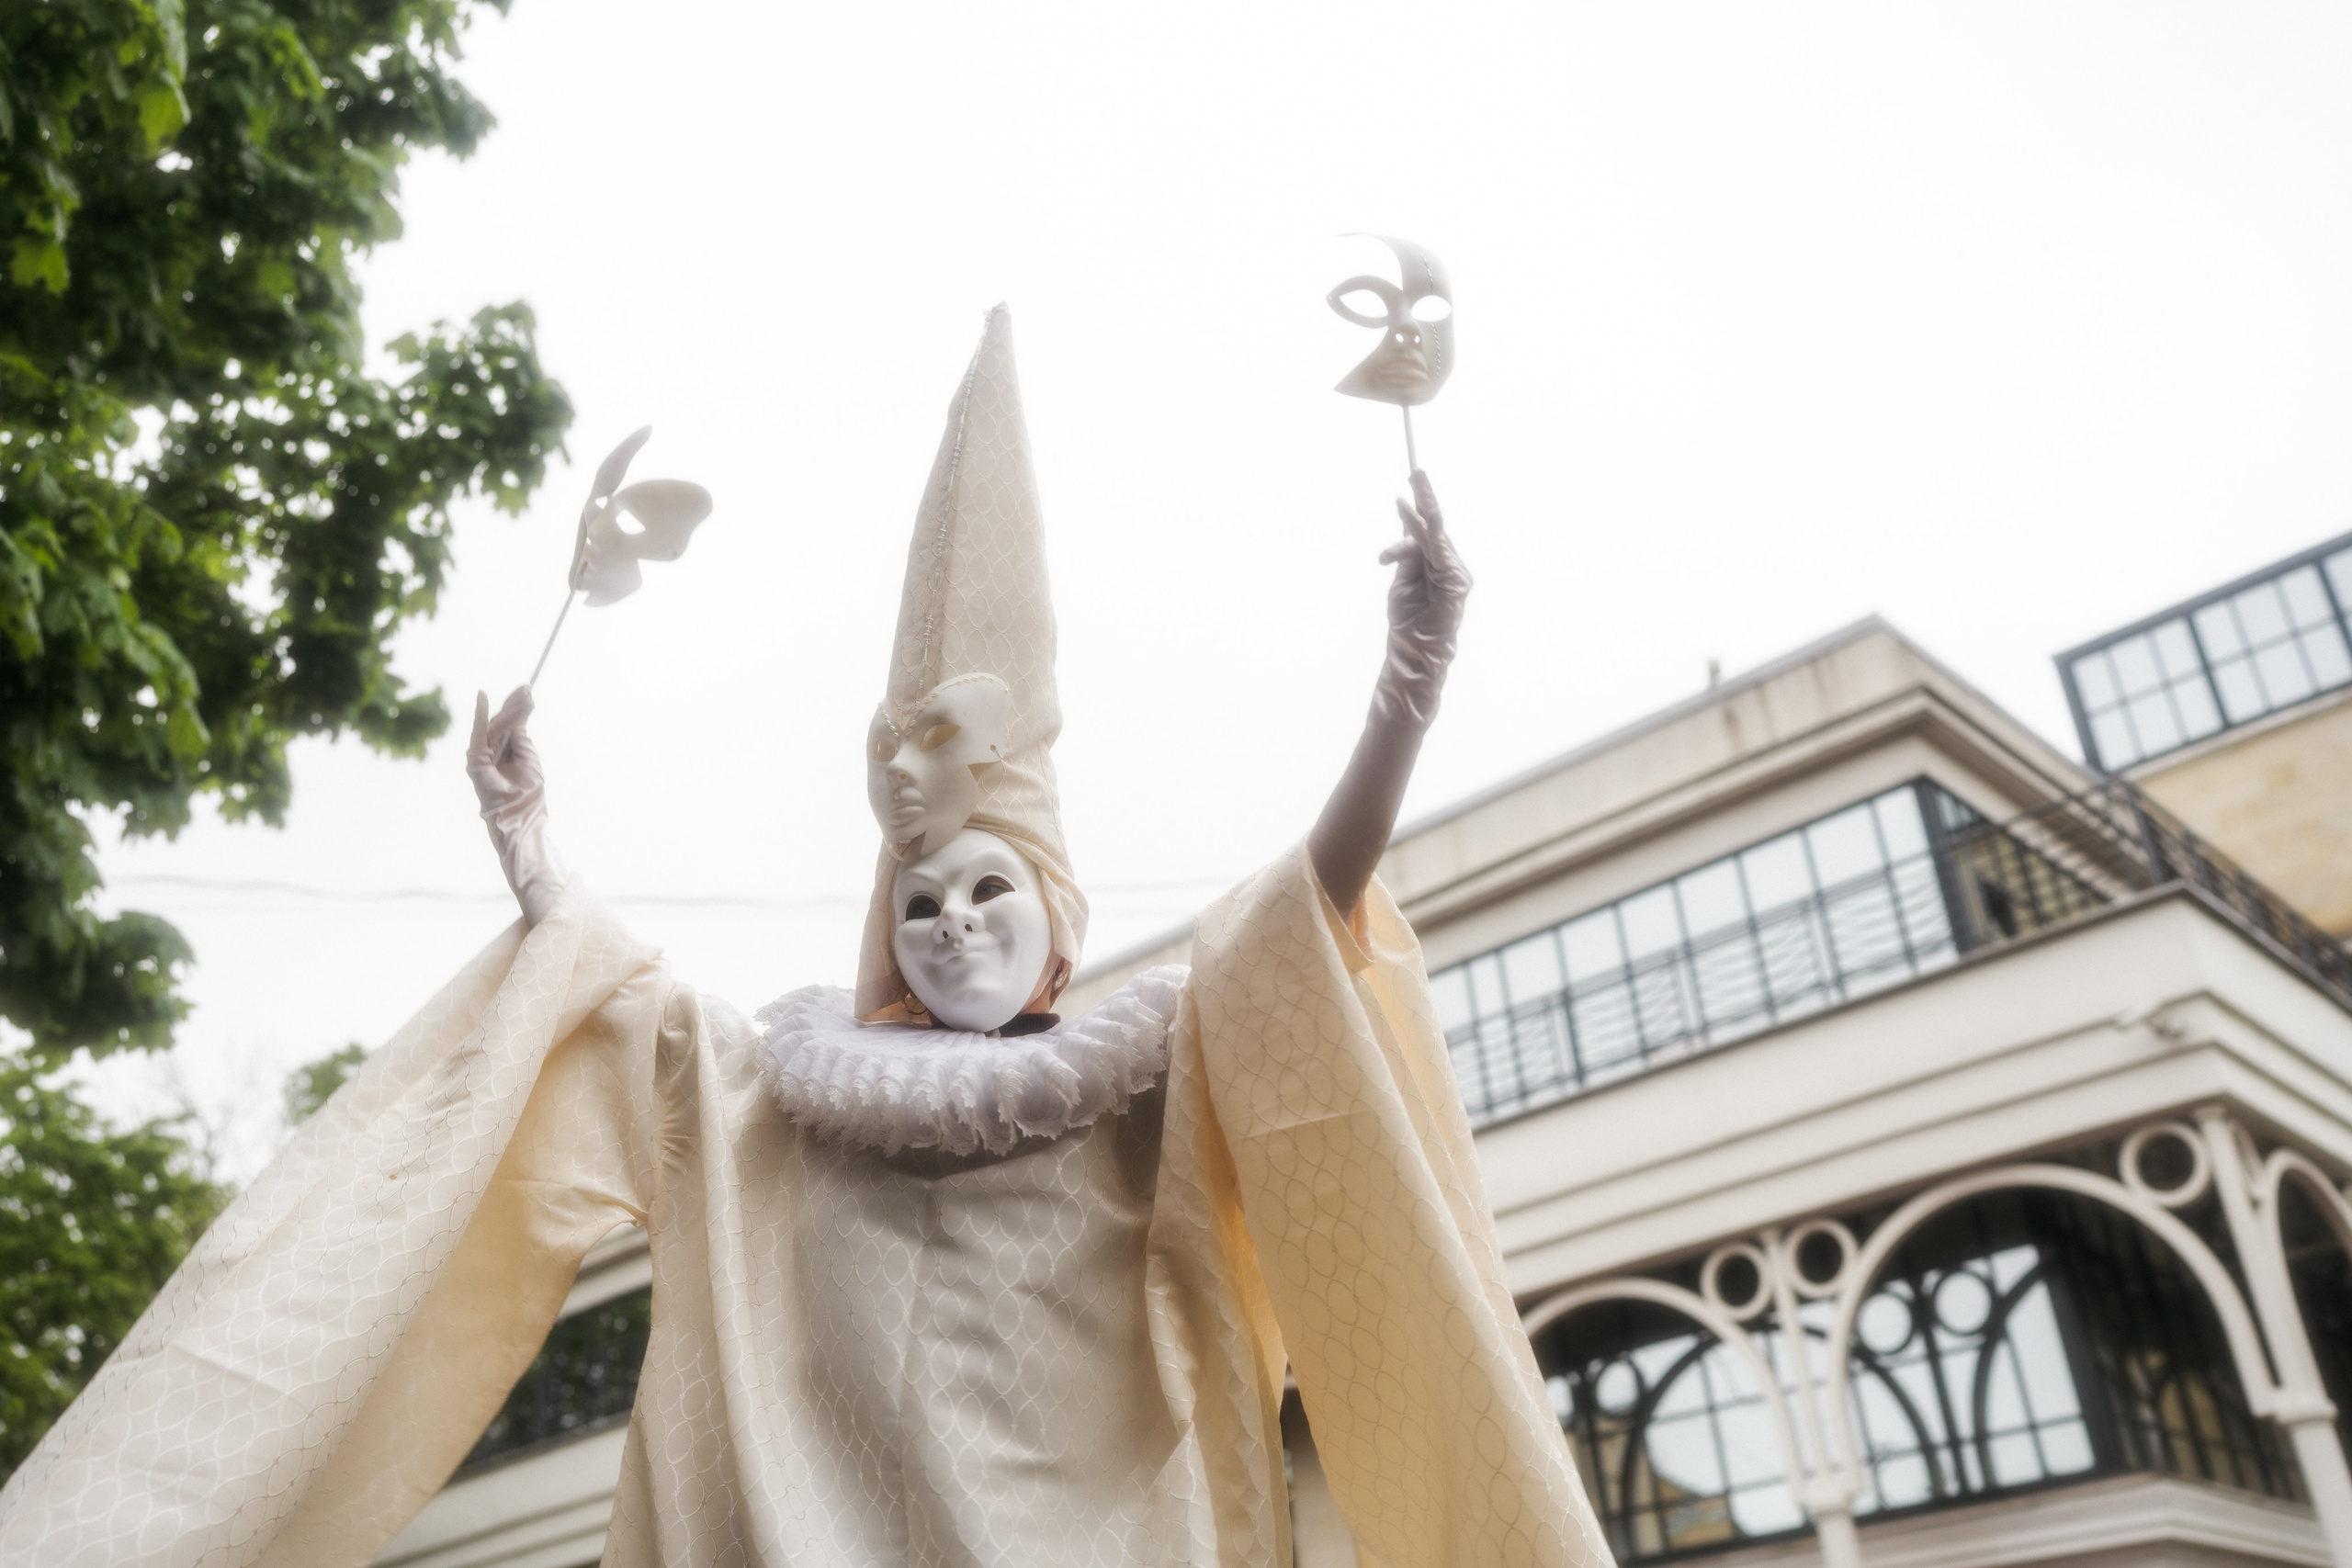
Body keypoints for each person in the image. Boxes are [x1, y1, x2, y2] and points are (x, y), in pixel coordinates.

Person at [0, 308, 1611, 1568]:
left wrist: (1410, 675)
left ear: (1058, 924)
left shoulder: (1153, 1066)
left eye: (991, 890)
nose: (954, 920)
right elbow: (615, 998)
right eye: (921, 900)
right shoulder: (783, 1094)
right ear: (879, 930)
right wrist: (527, 846)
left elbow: (1303, 917)